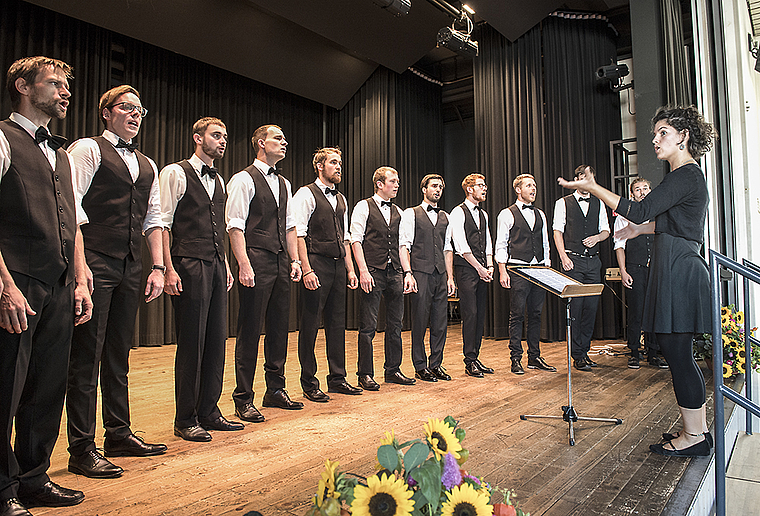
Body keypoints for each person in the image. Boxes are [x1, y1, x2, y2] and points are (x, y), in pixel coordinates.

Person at [558, 105, 716, 457]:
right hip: (676, 263)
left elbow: (643, 209)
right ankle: (697, 431)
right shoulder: (684, 177)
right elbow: (671, 223)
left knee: (677, 353)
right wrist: (640, 229)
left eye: (663, 133)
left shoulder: (685, 174)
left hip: (679, 268)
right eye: (655, 133)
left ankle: (695, 437)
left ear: (683, 136)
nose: (656, 139)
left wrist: (595, 187)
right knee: (678, 353)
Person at [0, 56, 92, 516]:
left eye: (66, 85)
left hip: (57, 284)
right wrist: (4, 285)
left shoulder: (60, 152)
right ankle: (1, 490)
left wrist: (79, 278)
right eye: (54, 83)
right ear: (22, 86)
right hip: (16, 282)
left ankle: (35, 477)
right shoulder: (1, 137)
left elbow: (73, 220)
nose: (64, 92)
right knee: (5, 387)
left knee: (46, 387)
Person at [66, 85, 166, 480]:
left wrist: (158, 267)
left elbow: (153, 218)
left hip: (129, 265)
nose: (136, 114)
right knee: (85, 356)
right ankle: (81, 447)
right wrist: (79, 269)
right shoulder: (87, 149)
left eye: (140, 109)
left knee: (118, 353)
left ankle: (118, 433)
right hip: (92, 262)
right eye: (127, 108)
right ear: (106, 112)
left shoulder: (147, 163)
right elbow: (69, 207)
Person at [159, 117, 243, 442]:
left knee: (216, 340)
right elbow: (163, 223)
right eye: (216, 135)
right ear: (198, 137)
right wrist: (167, 267)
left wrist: (225, 266)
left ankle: (209, 409)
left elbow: (218, 227)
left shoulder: (220, 181)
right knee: (191, 341)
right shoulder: (176, 172)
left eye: (224, 136)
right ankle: (186, 418)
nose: (222, 141)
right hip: (187, 263)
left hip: (215, 264)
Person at [226, 124, 303, 422]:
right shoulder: (243, 179)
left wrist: (295, 261)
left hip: (281, 260)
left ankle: (275, 389)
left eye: (285, 139)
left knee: (278, 327)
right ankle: (243, 397)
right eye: (278, 138)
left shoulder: (284, 183)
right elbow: (235, 224)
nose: (284, 143)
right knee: (250, 329)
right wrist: (244, 264)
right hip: (256, 258)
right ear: (260, 143)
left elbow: (290, 226)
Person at [292, 147, 362, 402]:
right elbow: (298, 233)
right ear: (320, 166)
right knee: (310, 325)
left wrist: (350, 269)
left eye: (340, 162)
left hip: (337, 266)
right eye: (333, 162)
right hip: (316, 264)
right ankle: (309, 382)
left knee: (337, 324)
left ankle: (337, 378)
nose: (339, 166)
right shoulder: (305, 194)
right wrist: (306, 268)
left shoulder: (341, 199)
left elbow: (345, 239)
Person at [350, 166, 414, 390]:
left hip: (395, 272)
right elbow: (355, 241)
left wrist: (407, 272)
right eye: (393, 181)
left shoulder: (400, 212)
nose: (397, 185)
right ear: (379, 183)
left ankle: (393, 369)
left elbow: (403, 245)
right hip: (373, 271)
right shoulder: (363, 206)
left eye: (397, 181)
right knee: (368, 326)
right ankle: (365, 373)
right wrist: (363, 271)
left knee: (396, 324)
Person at [495, 174, 556, 375]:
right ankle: (515, 358)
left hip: (538, 269)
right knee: (517, 315)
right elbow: (501, 245)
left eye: (535, 185)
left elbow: (545, 243)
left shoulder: (540, 214)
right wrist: (502, 271)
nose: (533, 189)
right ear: (518, 190)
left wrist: (546, 268)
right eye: (529, 185)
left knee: (536, 314)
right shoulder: (507, 214)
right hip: (518, 269)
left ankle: (534, 356)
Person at [399, 174, 456, 382]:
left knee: (440, 322)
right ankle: (420, 365)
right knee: (420, 321)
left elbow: (448, 248)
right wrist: (408, 273)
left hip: (440, 273)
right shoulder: (411, 213)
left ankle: (436, 364)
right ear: (424, 189)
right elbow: (404, 245)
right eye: (434, 186)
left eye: (440, 187)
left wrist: (450, 277)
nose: (438, 190)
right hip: (420, 272)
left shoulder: (446, 216)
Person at [553, 165, 610, 372]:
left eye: (588, 176)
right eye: (581, 177)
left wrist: (597, 237)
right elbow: (557, 231)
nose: (584, 179)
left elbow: (606, 231)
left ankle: (584, 351)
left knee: (591, 309)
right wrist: (563, 256)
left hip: (593, 262)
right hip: (573, 261)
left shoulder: (599, 202)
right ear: (576, 179)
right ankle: (576, 354)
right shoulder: (563, 203)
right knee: (575, 309)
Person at [613, 178, 668, 370]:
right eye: (638, 189)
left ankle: (653, 353)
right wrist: (623, 271)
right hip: (634, 268)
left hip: (655, 270)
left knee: (655, 312)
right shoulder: (623, 217)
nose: (642, 192)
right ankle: (634, 352)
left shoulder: (659, 214)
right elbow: (619, 246)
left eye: (645, 188)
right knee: (636, 312)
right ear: (632, 194)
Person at [449, 173, 494, 378]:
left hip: (483, 269)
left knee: (480, 315)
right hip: (467, 268)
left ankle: (476, 356)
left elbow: (488, 242)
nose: (484, 189)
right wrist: (479, 268)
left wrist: (490, 265)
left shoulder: (483, 214)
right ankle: (469, 360)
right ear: (469, 189)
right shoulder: (458, 212)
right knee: (470, 314)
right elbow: (461, 246)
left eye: (484, 186)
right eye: (480, 186)